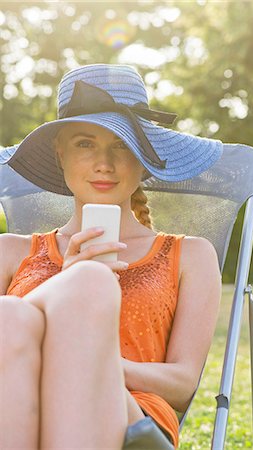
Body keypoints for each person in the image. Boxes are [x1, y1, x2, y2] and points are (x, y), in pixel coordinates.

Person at [0, 64, 222, 449]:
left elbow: (183, 385)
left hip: (133, 419)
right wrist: (63, 292)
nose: (105, 163)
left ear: (143, 157)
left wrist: (84, 356)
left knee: (89, 281)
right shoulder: (9, 250)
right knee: (11, 314)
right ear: (60, 153)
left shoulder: (189, 255)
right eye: (85, 143)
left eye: (122, 144)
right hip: (19, 409)